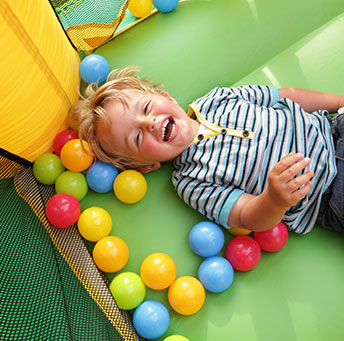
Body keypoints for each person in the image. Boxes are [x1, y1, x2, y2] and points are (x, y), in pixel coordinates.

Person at [71, 66, 344, 234]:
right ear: (146, 166)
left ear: (166, 98)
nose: (150, 123)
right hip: (327, 192)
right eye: (137, 137)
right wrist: (274, 199)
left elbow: (286, 96)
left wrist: (338, 102)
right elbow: (246, 216)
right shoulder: (190, 182)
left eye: (145, 108)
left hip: (333, 128)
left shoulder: (218, 98)